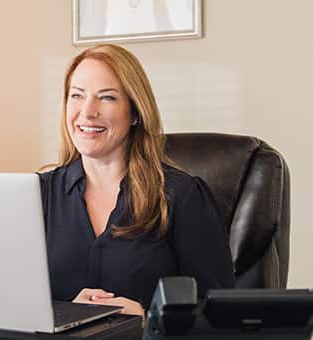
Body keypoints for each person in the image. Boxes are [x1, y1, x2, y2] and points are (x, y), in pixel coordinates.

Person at [39, 44, 235, 317]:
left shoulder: (181, 196)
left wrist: (148, 321)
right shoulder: (38, 196)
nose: (87, 111)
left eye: (106, 97)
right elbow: (8, 303)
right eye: (77, 95)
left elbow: (222, 317)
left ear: (135, 112)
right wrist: (68, 312)